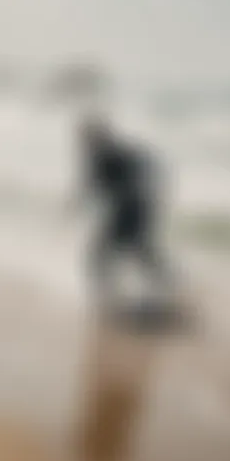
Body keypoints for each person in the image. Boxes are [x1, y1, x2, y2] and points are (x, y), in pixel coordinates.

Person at [71, 115, 175, 319]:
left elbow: (91, 185)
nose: (82, 143)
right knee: (140, 253)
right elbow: (150, 167)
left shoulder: (103, 154)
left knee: (101, 256)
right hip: (138, 207)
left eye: (84, 138)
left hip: (129, 210)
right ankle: (166, 290)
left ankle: (112, 300)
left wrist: (75, 203)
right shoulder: (115, 151)